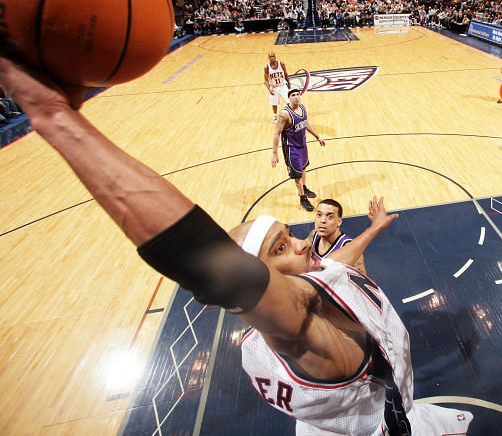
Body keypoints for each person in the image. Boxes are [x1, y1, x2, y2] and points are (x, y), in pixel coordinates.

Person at [0, 60, 474, 436]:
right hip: (380, 425)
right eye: (282, 248)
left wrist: (371, 230)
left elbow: (335, 269)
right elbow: (204, 259)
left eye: (289, 234)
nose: (304, 243)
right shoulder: (298, 327)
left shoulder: (301, 294)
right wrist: (57, 118)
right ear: (258, 278)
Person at [272, 88, 325, 212]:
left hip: (303, 145)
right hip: (292, 149)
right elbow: (276, 133)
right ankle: (302, 198)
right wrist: (274, 153)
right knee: (297, 175)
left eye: (298, 94)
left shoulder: (302, 108)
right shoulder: (284, 114)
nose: (296, 97)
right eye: (293, 95)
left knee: (303, 168)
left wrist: (317, 136)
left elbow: (306, 124)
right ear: (289, 98)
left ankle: (304, 188)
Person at [308, 198, 365, 274]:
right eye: (319, 215)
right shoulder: (313, 235)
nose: (322, 220)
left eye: (330, 217)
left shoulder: (349, 249)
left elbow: (361, 282)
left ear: (339, 221)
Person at [264, 51, 290, 123]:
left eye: (273, 56)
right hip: (274, 88)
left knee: (289, 101)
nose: (272, 58)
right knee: (274, 103)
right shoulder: (267, 67)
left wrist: (289, 83)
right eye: (270, 57)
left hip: (283, 86)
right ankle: (275, 116)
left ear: (275, 57)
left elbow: (285, 73)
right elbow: (266, 80)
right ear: (268, 58)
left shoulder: (281, 64)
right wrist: (269, 89)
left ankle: (292, 114)